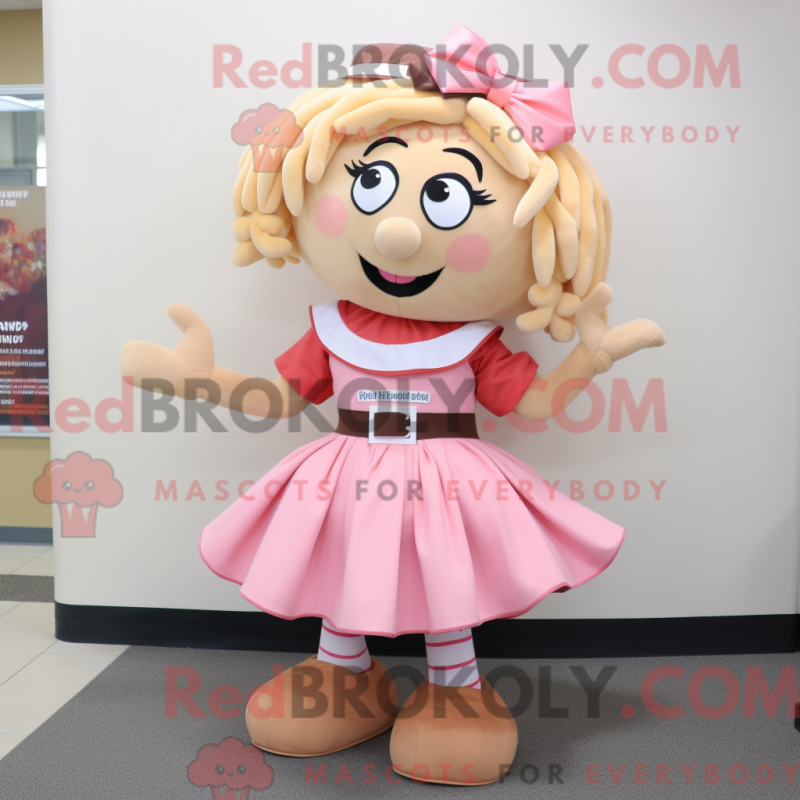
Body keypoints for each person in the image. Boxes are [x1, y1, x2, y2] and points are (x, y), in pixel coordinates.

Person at [121, 25, 665, 786]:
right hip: (345, 470)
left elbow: (533, 404)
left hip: (448, 478)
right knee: (344, 565)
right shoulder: (331, 327)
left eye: (446, 201)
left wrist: (589, 359)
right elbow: (282, 398)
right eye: (371, 186)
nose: (400, 232)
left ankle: (456, 689)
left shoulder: (476, 338)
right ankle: (342, 674)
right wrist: (205, 382)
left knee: (447, 580)